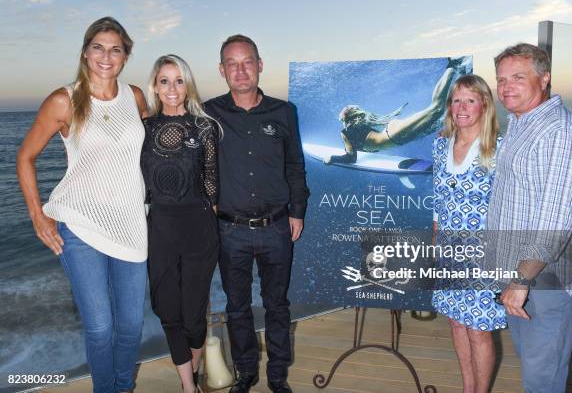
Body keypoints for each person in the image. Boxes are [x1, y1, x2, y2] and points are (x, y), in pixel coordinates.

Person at [16, 17, 148, 393]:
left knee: (131, 326)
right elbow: (25, 156)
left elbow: (151, 151)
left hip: (131, 224)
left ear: (125, 56)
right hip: (80, 224)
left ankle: (124, 386)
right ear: (85, 51)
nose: (106, 56)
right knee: (100, 326)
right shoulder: (64, 100)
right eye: (98, 47)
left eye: (115, 49)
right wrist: (36, 215)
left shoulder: (135, 96)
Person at [488, 43, 572, 393]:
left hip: (545, 275)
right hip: (521, 271)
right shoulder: (521, 123)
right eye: (501, 79)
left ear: (544, 77)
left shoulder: (558, 133)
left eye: (518, 77)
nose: (506, 87)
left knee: (543, 376)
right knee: (534, 363)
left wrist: (520, 281)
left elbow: (552, 225)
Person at [204, 34, 310, 393]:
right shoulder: (207, 113)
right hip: (229, 231)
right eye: (232, 63)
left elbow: (295, 166)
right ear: (222, 70)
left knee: (277, 305)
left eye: (247, 61)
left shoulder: (284, 112)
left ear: (260, 65)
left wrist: (298, 212)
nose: (240, 69)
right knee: (237, 308)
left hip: (277, 227)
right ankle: (246, 372)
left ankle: (278, 375)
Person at [140, 54, 221, 393]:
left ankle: (196, 373)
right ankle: (189, 386)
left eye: (178, 80)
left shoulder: (204, 127)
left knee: (192, 317)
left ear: (187, 84)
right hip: (159, 229)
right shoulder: (143, 128)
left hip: (198, 229)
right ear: (155, 87)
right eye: (164, 81)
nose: (172, 88)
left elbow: (212, 184)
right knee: (167, 312)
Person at [431, 74, 505, 393]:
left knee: (479, 329)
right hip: (448, 251)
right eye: (456, 100)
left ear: (484, 105)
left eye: (470, 100)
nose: (461, 107)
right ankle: (467, 388)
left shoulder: (498, 149)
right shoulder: (440, 144)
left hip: (483, 255)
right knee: (456, 321)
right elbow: (437, 198)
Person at [325, 56, 471, 164]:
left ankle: (453, 65)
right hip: (394, 134)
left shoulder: (345, 133)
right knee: (439, 121)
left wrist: (331, 158)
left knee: (436, 109)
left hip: (394, 136)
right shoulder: (357, 128)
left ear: (344, 119)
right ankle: (463, 75)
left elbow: (351, 158)